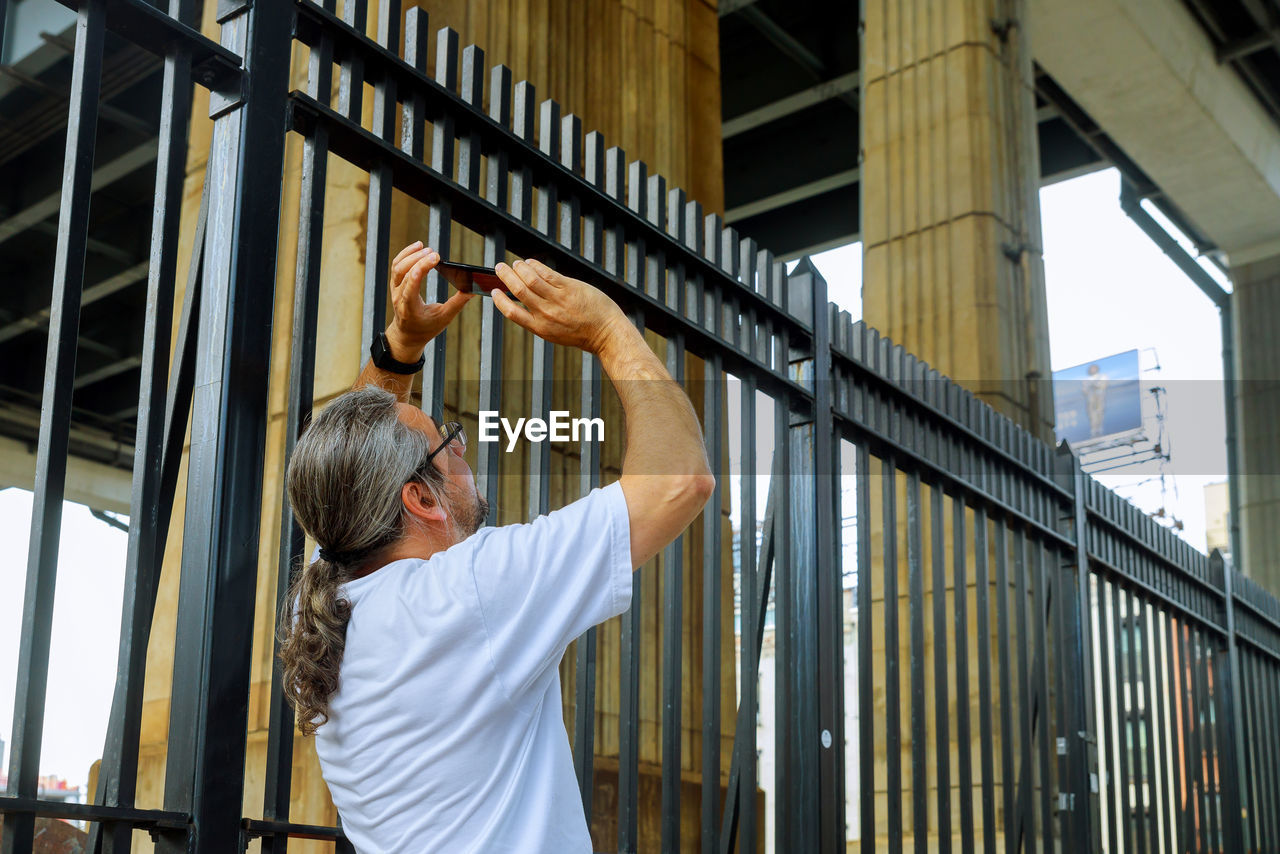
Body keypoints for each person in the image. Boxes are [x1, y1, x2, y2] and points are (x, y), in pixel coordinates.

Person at [277, 242, 714, 853]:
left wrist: (398, 347)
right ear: (420, 500)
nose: (463, 451)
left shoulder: (327, 606)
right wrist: (609, 330)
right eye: (448, 444)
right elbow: (679, 481)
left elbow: (348, 469)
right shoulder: (469, 592)